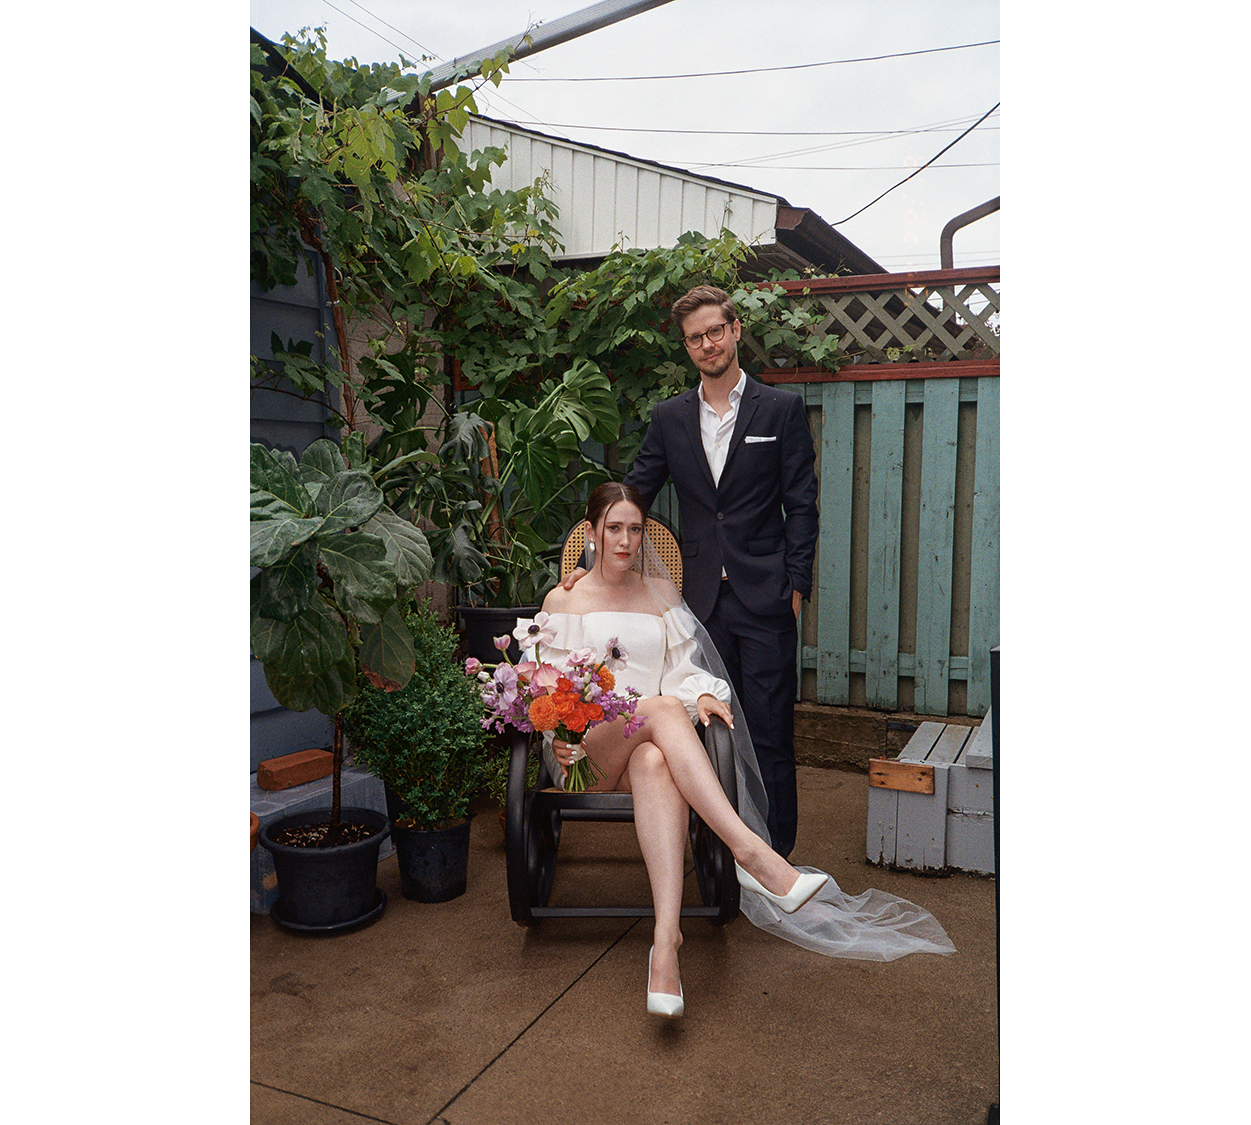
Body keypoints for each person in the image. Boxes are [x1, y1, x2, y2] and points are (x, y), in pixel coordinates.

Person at [533, 482, 954, 1020]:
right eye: (613, 528)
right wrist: (558, 742)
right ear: (590, 534)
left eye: (634, 529)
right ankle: (751, 852)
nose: (624, 540)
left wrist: (701, 691)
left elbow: (682, 669)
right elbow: (541, 686)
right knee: (661, 709)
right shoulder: (563, 600)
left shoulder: (660, 596)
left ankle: (666, 945)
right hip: (585, 756)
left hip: (640, 756)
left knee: (657, 759)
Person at [568, 284, 818, 858]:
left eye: (714, 331)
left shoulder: (780, 411)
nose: (707, 344)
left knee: (771, 732)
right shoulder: (670, 417)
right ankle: (719, 852)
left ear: (733, 331)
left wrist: (796, 585)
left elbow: (802, 504)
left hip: (766, 596)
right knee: (706, 727)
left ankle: (776, 857)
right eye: (694, 338)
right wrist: (584, 558)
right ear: (687, 347)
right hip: (697, 604)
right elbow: (633, 493)